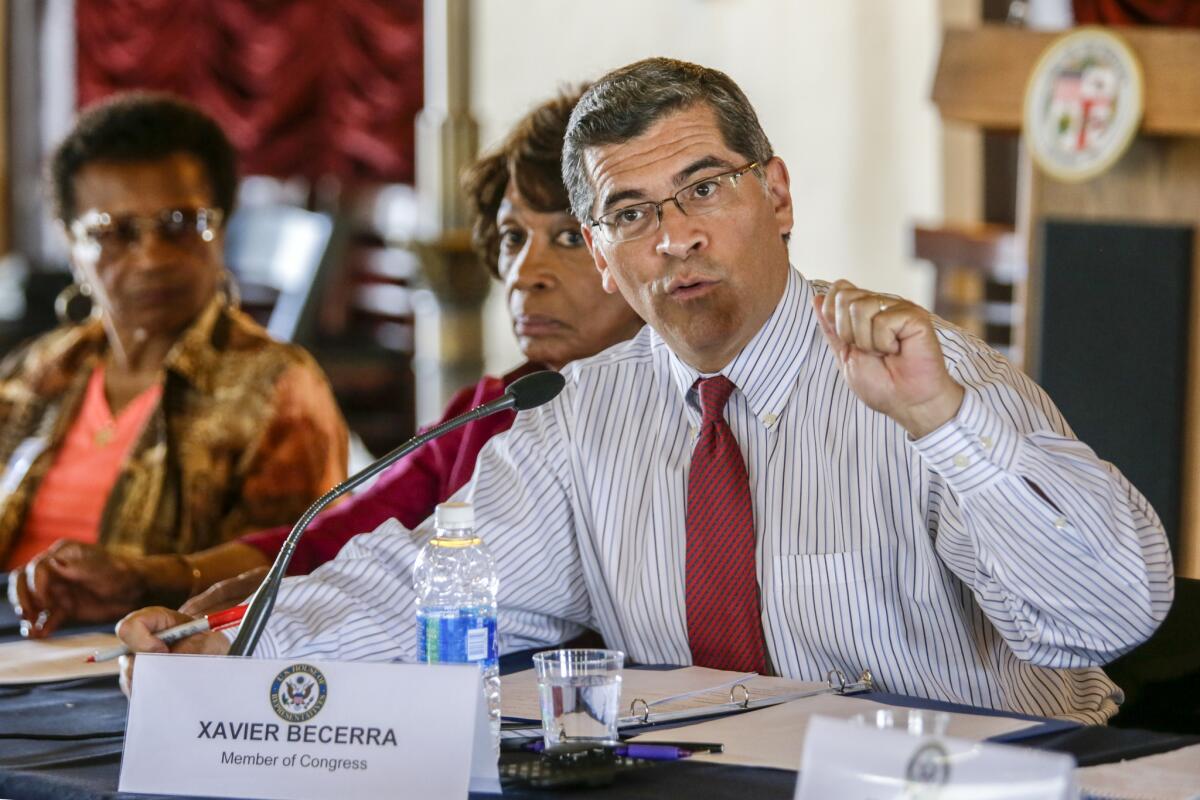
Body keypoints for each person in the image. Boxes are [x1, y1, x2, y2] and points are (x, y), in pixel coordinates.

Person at [117, 58, 1172, 724]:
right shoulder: (573, 414)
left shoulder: (924, 377)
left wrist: (948, 428)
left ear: (778, 193)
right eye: (629, 213)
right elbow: (426, 586)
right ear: (606, 257)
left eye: (705, 187)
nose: (676, 236)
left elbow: (1109, 616)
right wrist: (237, 643)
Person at [13, 87, 644, 627]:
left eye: (566, 237)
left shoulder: (688, 404)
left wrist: (287, 605)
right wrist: (163, 582)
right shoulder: (485, 410)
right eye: (511, 237)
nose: (524, 273)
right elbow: (331, 537)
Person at [3, 93, 349, 637]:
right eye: (115, 232)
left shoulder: (277, 387)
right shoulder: (37, 373)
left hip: (151, 669)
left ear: (223, 228)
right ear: (72, 244)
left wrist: (147, 583)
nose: (151, 258)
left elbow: (292, 575)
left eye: (179, 224)